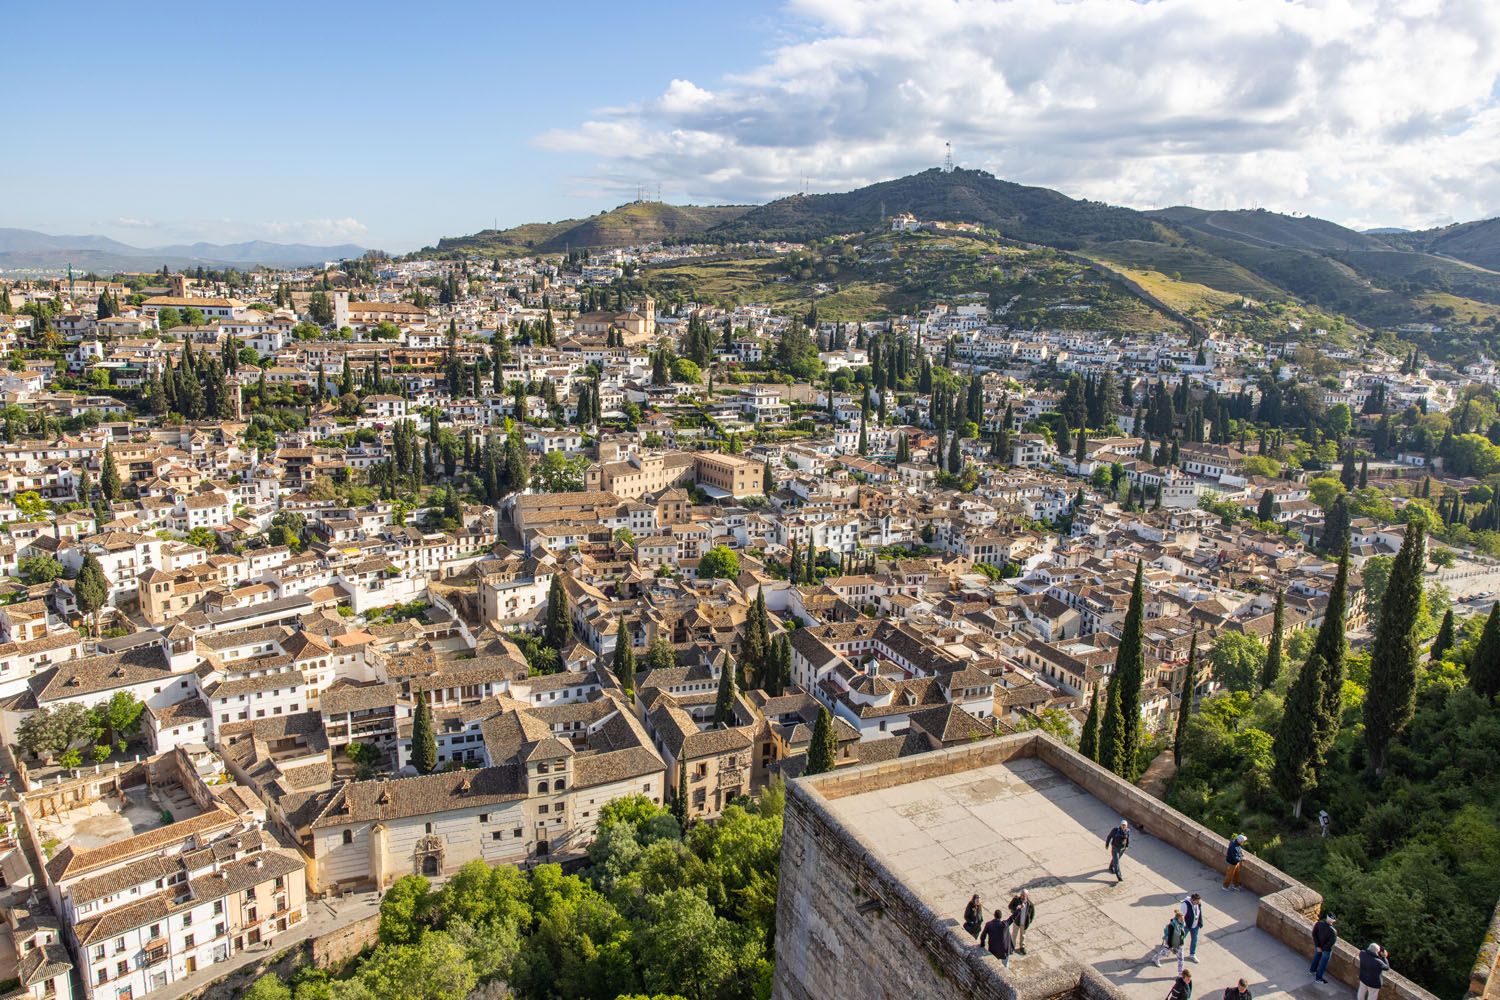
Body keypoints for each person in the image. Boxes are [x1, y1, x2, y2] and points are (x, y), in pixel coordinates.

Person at [1155, 908, 1189, 973]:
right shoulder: (1172, 926)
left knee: (1181, 959)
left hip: (1179, 944)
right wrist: (1171, 947)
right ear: (1177, 919)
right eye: (1181, 919)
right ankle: (1156, 958)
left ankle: (1180, 973)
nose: (1183, 920)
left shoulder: (1181, 925)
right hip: (1171, 943)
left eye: (1183, 919)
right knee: (1165, 953)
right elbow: (1170, 937)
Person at [1310, 913, 1337, 984]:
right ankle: (1318, 978)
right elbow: (1331, 942)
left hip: (1318, 945)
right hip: (1326, 950)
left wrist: (1318, 946)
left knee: (1316, 957)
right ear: (1333, 921)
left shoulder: (1319, 923)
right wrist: (1323, 948)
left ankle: (1312, 970)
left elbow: (1314, 934)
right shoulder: (1333, 931)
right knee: (1323, 964)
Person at [1008, 889, 1036, 955]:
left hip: (1024, 923)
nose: (1022, 897)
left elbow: (1032, 915)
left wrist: (1029, 922)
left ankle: (1022, 947)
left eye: (1023, 895)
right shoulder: (1016, 900)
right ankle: (1012, 947)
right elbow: (1010, 906)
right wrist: (1016, 908)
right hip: (1016, 921)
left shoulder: (1030, 905)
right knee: (1014, 935)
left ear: (1027, 896)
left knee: (1023, 936)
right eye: (1021, 895)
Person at [1179, 893, 1205, 962]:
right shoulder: (1185, 904)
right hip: (1187, 925)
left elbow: (1199, 913)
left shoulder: (1198, 903)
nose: (1198, 903)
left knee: (1194, 940)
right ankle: (1175, 948)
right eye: (1196, 902)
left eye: (1198, 901)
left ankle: (1192, 954)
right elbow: (1181, 916)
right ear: (1192, 900)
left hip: (1195, 926)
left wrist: (1200, 922)